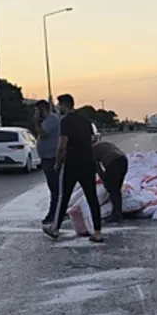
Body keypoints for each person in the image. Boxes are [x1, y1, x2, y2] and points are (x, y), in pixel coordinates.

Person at [44, 94, 103, 242]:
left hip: (72, 164)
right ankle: (97, 232)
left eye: (59, 105)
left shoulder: (66, 122)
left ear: (65, 105)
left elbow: (62, 145)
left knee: (63, 197)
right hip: (88, 163)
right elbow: (91, 140)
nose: (58, 108)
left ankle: (55, 229)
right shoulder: (85, 120)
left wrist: (57, 163)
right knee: (92, 197)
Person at [32, 100, 61, 225]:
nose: (36, 113)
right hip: (47, 158)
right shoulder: (47, 120)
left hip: (51, 158)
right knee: (54, 188)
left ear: (43, 109)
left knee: (55, 188)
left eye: (37, 110)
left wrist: (36, 123)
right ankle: (58, 211)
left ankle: (54, 214)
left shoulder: (51, 119)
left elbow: (43, 134)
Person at [93, 138, 128, 224]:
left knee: (113, 190)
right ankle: (118, 213)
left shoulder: (92, 150)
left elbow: (97, 167)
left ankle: (116, 215)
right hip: (123, 160)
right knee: (116, 189)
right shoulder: (104, 143)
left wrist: (104, 180)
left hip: (113, 162)